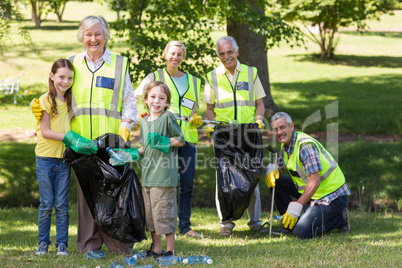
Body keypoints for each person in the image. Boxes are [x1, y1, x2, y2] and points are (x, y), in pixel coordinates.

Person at [31, 16, 139, 254]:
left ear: (106, 35)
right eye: (88, 34)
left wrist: (126, 123)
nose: (93, 39)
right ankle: (89, 244)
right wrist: (37, 103)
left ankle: (118, 244)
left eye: (98, 34)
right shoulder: (72, 63)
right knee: (86, 195)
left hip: (111, 141)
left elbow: (130, 100)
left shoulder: (119, 64)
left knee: (114, 193)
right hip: (80, 142)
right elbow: (56, 91)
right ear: (81, 37)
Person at [134, 41, 202, 238]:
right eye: (172, 53)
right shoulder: (154, 77)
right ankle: (160, 225)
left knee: (187, 184)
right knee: (163, 184)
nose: (176, 57)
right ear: (165, 55)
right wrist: (145, 117)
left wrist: (196, 118)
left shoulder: (194, 81)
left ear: (183, 57)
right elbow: (138, 97)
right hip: (161, 140)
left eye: (180, 54)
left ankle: (185, 226)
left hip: (186, 138)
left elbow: (197, 109)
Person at [203, 36, 267, 236]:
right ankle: (226, 223)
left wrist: (259, 120)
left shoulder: (251, 73)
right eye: (221, 53)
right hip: (223, 134)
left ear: (237, 52)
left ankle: (255, 222)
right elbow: (209, 109)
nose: (226, 56)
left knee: (252, 174)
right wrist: (210, 126)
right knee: (223, 178)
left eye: (230, 52)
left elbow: (259, 103)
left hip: (248, 132)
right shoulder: (212, 76)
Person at [34, 59, 98, 256]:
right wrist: (70, 138)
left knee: (61, 203)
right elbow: (45, 132)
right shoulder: (45, 100)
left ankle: (62, 244)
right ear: (52, 76)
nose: (65, 81)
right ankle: (43, 243)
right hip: (45, 158)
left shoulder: (72, 101)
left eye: (70, 78)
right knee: (46, 204)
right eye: (61, 77)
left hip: (63, 159)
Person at [267, 112, 351, 238]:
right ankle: (289, 224)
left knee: (301, 232)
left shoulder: (305, 146)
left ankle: (341, 218)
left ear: (291, 127)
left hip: (331, 196)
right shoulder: (286, 146)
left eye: (282, 127)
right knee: (277, 182)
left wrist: (298, 205)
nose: (279, 132)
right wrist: (274, 170)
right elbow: (282, 165)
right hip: (315, 193)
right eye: (276, 129)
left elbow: (315, 181)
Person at [137, 81, 185, 257]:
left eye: (162, 98)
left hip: (164, 176)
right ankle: (156, 248)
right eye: (153, 97)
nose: (157, 101)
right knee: (151, 217)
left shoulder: (167, 118)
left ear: (167, 102)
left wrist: (165, 141)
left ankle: (170, 250)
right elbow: (145, 148)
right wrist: (130, 154)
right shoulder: (143, 121)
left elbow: (180, 139)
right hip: (148, 176)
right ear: (146, 99)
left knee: (164, 214)